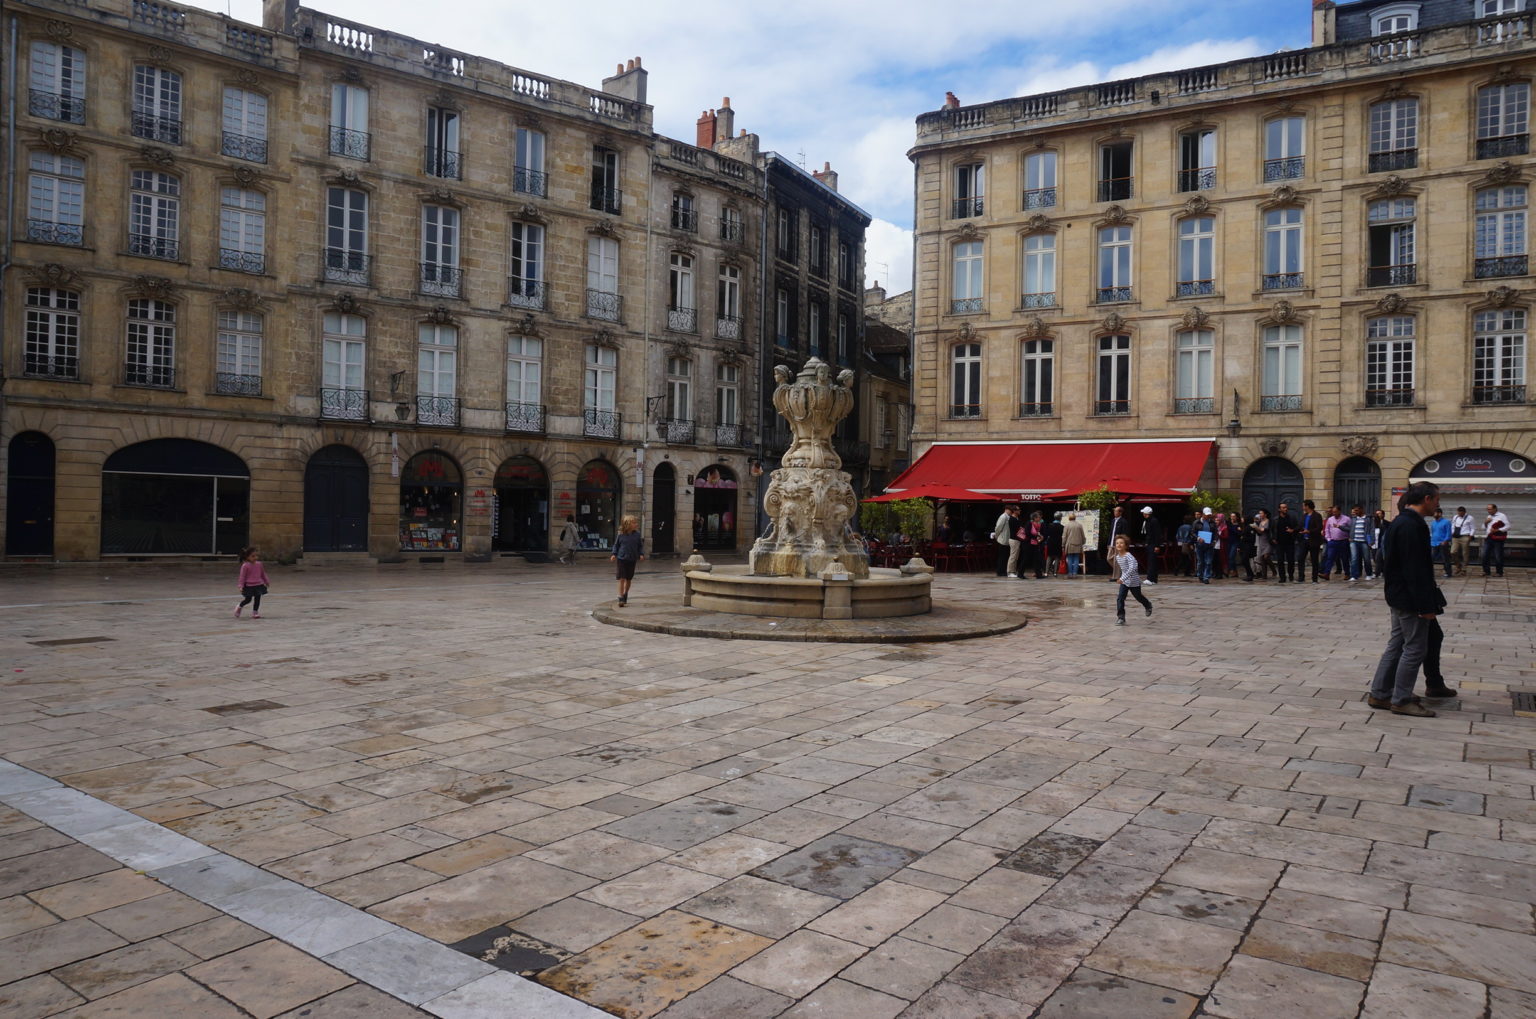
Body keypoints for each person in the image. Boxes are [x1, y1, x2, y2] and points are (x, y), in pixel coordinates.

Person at [1368, 482, 1446, 717]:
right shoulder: (1413, 525)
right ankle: (1401, 699)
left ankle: (1380, 693)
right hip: (1410, 598)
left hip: (1397, 594)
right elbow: (1416, 569)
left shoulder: (1400, 521)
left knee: (1396, 644)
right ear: (1426, 499)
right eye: (1436, 500)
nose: (1438, 504)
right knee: (1414, 648)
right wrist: (1425, 605)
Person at [1110, 534, 1153, 625]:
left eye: (1121, 543)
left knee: (1138, 597)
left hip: (1134, 581)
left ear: (1126, 545)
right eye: (1117, 543)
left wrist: (1122, 578)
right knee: (1120, 598)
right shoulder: (1117, 557)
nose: (1119, 545)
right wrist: (1122, 578)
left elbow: (1133, 568)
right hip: (1125, 582)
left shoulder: (1128, 556)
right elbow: (1123, 569)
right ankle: (1121, 618)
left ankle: (1147, 605)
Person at [610, 515, 644, 606]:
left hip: (632, 559)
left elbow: (640, 546)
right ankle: (620, 597)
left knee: (628, 579)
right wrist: (614, 554)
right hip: (621, 558)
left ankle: (625, 593)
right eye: (634, 523)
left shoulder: (637, 535)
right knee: (621, 578)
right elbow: (616, 545)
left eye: (636, 522)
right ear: (628, 524)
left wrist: (641, 554)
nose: (636, 524)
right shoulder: (621, 534)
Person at [235, 546, 270, 619]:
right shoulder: (245, 566)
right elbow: (242, 577)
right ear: (247, 557)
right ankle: (239, 606)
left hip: (258, 584)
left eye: (256, 556)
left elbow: (263, 574)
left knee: (257, 599)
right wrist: (241, 586)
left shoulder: (259, 564)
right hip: (249, 586)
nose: (255, 558)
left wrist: (266, 581)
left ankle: (255, 612)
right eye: (253, 556)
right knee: (248, 599)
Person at [1322, 505, 1351, 580]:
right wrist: (1328, 539)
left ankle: (1347, 573)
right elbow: (1327, 529)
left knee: (1344, 558)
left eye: (1335, 512)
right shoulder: (1330, 519)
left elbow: (1350, 529)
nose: (1334, 513)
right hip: (1333, 541)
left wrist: (1349, 537)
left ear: (1339, 511)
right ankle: (1326, 574)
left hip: (1343, 541)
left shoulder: (1346, 519)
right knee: (1330, 558)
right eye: (1333, 512)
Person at [1273, 501, 1298, 583]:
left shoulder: (1292, 518)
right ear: (1279, 509)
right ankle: (1282, 577)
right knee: (1280, 561)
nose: (1285, 509)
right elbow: (1272, 530)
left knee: (1291, 560)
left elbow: (1297, 528)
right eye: (1283, 508)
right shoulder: (1275, 519)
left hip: (1290, 542)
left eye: (1286, 507)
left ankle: (1291, 576)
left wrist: (1293, 530)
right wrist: (1273, 539)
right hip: (1279, 543)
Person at [1300, 500, 1325, 582]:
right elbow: (1300, 526)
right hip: (1304, 540)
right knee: (1301, 558)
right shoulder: (1304, 516)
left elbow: (1319, 528)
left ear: (1307, 506)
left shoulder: (1317, 516)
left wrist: (1309, 531)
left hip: (1314, 540)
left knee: (1314, 560)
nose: (1302, 507)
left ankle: (1314, 579)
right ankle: (1301, 577)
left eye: (1303, 506)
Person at [1347, 505, 1373, 581]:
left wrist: (1371, 541)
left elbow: (1372, 530)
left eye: (1357, 510)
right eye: (1354, 511)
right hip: (1354, 541)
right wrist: (1340, 527)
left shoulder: (1368, 518)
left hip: (1364, 542)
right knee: (1354, 558)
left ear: (1361, 510)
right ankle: (1354, 575)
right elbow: (1350, 528)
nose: (1355, 512)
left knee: (1367, 559)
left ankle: (1369, 574)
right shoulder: (1354, 518)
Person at [1483, 503, 1510, 576]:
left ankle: (1499, 572)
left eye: (1490, 509)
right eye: (1487, 509)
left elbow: (1508, 526)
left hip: (1498, 538)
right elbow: (1484, 527)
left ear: (1495, 509)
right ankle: (1486, 571)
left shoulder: (1502, 516)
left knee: (1498, 555)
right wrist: (1486, 522)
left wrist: (1497, 530)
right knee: (1485, 554)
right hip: (1488, 537)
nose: (1488, 511)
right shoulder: (1488, 516)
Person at [1139, 507, 1163, 584]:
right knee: (1152, 561)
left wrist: (1157, 545)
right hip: (1150, 543)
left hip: (1153, 544)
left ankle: (1150, 578)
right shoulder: (1148, 521)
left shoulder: (1153, 521)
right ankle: (1153, 579)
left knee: (1152, 561)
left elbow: (1157, 534)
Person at [993, 504, 1018, 577]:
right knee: (1002, 557)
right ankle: (1000, 571)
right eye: (1010, 510)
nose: (1011, 512)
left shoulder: (1009, 517)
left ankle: (1003, 570)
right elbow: (998, 528)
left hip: (1007, 539)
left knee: (1005, 556)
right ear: (1006, 509)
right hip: (1003, 539)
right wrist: (997, 536)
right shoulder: (1003, 517)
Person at [1429, 507, 1453, 579]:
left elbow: (1448, 533)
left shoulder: (1446, 522)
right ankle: (1429, 573)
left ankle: (1448, 572)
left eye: (1435, 513)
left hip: (1443, 543)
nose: (1434, 515)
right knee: (1431, 558)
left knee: (1445, 559)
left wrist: (1445, 541)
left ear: (1440, 513)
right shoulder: (1433, 523)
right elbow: (1433, 533)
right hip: (1434, 543)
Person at [1450, 506, 1475, 577]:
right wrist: (1452, 532)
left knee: (1465, 553)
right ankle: (1458, 565)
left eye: (1461, 513)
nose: (1459, 514)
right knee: (1453, 552)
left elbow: (1473, 528)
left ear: (1464, 512)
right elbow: (1453, 525)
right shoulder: (1455, 517)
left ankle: (1464, 569)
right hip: (1456, 537)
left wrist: (1470, 536)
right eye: (1458, 512)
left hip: (1465, 536)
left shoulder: (1470, 518)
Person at [1195, 507, 1217, 584]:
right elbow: (1192, 532)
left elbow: (1215, 532)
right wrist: (1198, 538)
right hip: (1200, 545)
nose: (1208, 516)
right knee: (1200, 562)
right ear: (1203, 514)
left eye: (1209, 515)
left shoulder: (1212, 523)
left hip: (1209, 544)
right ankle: (1200, 575)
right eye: (1207, 515)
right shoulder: (1197, 522)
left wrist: (1214, 540)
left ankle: (1206, 577)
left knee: (1208, 561)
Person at [1062, 511, 1087, 577]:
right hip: (1078, 544)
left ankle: (1070, 573)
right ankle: (1075, 573)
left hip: (1070, 544)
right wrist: (1083, 542)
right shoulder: (1079, 525)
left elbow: (1064, 536)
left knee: (1070, 558)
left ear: (1069, 518)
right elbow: (1082, 535)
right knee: (1076, 558)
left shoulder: (1067, 525)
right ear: (1075, 518)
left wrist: (1063, 544)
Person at [1023, 511, 1046, 578]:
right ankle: (1020, 573)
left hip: (1035, 543)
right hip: (1028, 543)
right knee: (1025, 559)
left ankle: (1038, 574)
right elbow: (1027, 533)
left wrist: (1040, 537)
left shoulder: (1038, 524)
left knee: (1037, 559)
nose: (1040, 518)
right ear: (1035, 518)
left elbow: (1038, 532)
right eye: (1038, 517)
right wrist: (1036, 537)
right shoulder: (1029, 523)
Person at [1252, 509, 1273, 579]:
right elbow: (1260, 533)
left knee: (1266, 557)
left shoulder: (1269, 521)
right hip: (1261, 541)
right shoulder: (1260, 522)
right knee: (1262, 559)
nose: (1260, 515)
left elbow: (1270, 530)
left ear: (1265, 514)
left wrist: (1265, 530)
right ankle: (1264, 575)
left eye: (1261, 513)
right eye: (1259, 513)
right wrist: (1257, 529)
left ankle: (1273, 569)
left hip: (1268, 541)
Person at [1046, 512, 1065, 578]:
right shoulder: (1062, 527)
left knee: (1049, 557)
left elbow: (1047, 534)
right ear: (1060, 518)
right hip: (1058, 543)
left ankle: (1046, 572)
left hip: (1050, 543)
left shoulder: (1049, 525)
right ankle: (1055, 573)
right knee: (1057, 557)